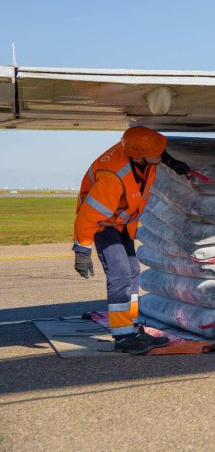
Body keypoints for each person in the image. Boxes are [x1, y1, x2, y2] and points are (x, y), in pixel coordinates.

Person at [73, 126, 192, 354]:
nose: (161, 155)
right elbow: (88, 217)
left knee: (133, 271)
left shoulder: (139, 153)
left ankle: (132, 327)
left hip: (122, 221)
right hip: (104, 224)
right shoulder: (112, 177)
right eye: (157, 153)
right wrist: (82, 251)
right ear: (139, 158)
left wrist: (173, 163)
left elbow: (156, 152)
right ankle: (123, 337)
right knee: (119, 274)